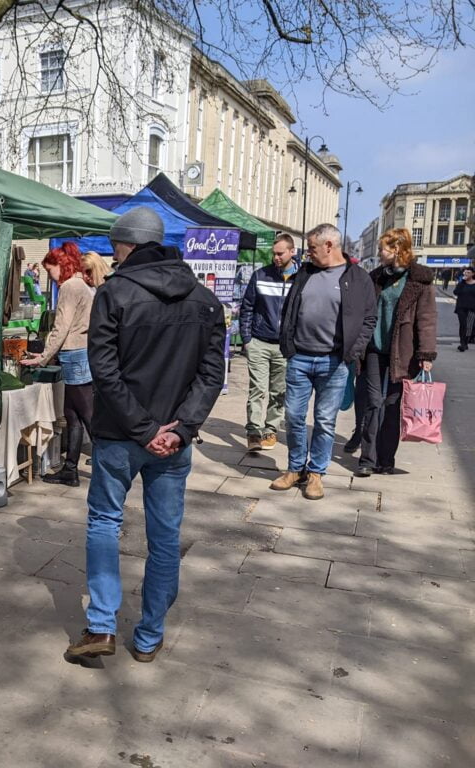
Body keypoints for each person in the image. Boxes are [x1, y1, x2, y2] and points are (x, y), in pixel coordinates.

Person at [66, 207, 225, 662]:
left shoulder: (114, 294)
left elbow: (104, 371)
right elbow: (212, 375)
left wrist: (143, 429)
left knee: (104, 522)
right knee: (164, 536)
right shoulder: (203, 299)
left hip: (122, 433)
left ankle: (101, 626)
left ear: (128, 246)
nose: (113, 253)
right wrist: (179, 429)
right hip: (172, 438)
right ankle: (150, 634)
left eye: (116, 245)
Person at [269, 224, 376, 500]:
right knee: (293, 417)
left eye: (313, 248)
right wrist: (288, 344)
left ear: (329, 246)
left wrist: (353, 351)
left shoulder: (358, 277)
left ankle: (316, 474)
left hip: (334, 361)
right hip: (300, 358)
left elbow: (368, 319)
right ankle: (295, 469)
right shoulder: (305, 273)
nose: (308, 254)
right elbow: (291, 307)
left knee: (325, 421)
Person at [355, 229, 437, 477]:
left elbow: (427, 319)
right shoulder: (376, 277)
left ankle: (386, 460)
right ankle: (367, 459)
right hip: (373, 349)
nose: (379, 253)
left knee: (392, 405)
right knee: (373, 403)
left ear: (398, 250)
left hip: (403, 352)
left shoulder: (419, 280)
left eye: (383, 249)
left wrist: (426, 354)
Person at [21, 242, 95, 486]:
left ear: (60, 266)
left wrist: (43, 356)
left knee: (87, 416)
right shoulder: (80, 284)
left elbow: (60, 327)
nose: (49, 277)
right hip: (77, 354)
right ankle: (70, 469)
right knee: (73, 416)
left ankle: (109, 466)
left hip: (76, 354)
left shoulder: (70, 287)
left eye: (49, 270)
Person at [238, 233, 298, 452]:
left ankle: (270, 429)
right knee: (257, 389)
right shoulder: (261, 275)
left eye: (280, 253)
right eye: (274, 253)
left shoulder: (301, 279)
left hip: (285, 346)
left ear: (292, 252)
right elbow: (247, 308)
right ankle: (253, 432)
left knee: (278, 391)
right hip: (259, 342)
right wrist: (247, 339)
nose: (276, 257)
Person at [454, 267, 475, 351]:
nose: (466, 274)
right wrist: (462, 282)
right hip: (461, 307)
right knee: (463, 325)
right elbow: (455, 292)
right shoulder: (462, 283)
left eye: (468, 272)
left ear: (473, 274)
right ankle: (462, 343)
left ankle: (465, 343)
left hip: (472, 309)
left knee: (469, 326)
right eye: (465, 272)